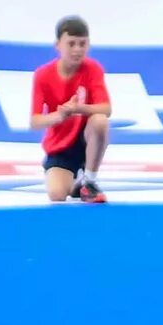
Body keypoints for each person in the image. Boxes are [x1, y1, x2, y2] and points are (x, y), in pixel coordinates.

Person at [29, 15, 111, 204]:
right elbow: (35, 121)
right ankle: (77, 183)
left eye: (82, 44)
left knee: (99, 121)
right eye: (71, 44)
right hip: (60, 146)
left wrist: (79, 108)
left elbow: (106, 109)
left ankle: (89, 181)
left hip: (84, 141)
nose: (77, 50)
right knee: (57, 195)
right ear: (58, 45)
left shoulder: (93, 69)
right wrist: (60, 115)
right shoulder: (43, 75)